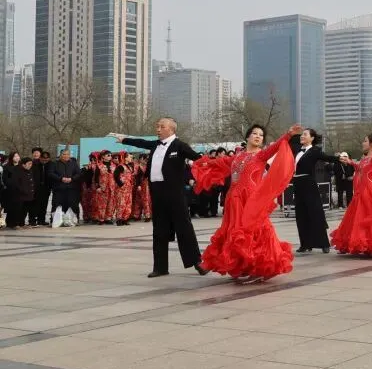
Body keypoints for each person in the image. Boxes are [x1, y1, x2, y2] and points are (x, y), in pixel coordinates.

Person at [193, 124, 300, 281]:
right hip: (234, 199)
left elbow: (276, 146)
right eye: (255, 133)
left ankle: (259, 266)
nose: (258, 137)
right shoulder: (237, 156)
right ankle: (219, 263)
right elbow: (221, 162)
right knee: (232, 231)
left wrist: (288, 135)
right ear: (248, 136)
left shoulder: (261, 155)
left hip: (252, 199)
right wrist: (204, 163)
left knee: (255, 230)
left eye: (261, 135)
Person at [110, 118, 208, 278]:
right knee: (159, 229)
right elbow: (141, 143)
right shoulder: (156, 145)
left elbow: (198, 159)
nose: (158, 129)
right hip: (157, 192)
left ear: (171, 129)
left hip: (175, 193)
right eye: (157, 126)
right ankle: (160, 267)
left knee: (184, 228)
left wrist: (211, 166)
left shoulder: (180, 145)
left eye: (162, 126)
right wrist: (124, 139)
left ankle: (198, 262)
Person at [290, 128, 337, 253]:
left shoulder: (315, 151)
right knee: (301, 214)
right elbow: (288, 142)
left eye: (305, 134)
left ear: (312, 138)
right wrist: (290, 133)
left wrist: (340, 159)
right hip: (297, 183)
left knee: (315, 213)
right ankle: (305, 244)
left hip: (309, 183)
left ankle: (323, 243)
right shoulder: (297, 149)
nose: (302, 136)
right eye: (302, 134)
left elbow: (327, 157)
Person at [47, 148, 81, 220]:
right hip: (59, 188)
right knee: (56, 205)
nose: (66, 156)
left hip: (71, 188)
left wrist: (72, 179)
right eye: (64, 154)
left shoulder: (73, 163)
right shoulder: (54, 163)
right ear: (60, 155)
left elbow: (79, 174)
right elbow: (51, 173)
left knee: (73, 205)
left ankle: (74, 220)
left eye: (67, 154)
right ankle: (55, 220)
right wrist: (61, 178)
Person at [5, 157, 35, 228]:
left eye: (31, 164)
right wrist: (23, 190)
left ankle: (22, 223)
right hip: (19, 195)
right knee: (17, 210)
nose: (30, 165)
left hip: (28, 194)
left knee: (24, 210)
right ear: (23, 164)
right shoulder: (17, 171)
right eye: (29, 164)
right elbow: (16, 183)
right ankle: (14, 224)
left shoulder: (30, 171)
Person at [30, 148, 49, 227]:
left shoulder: (45, 163)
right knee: (34, 204)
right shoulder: (31, 163)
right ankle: (32, 220)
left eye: (37, 153)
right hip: (34, 187)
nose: (36, 154)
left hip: (45, 187)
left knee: (44, 204)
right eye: (34, 153)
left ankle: (41, 220)